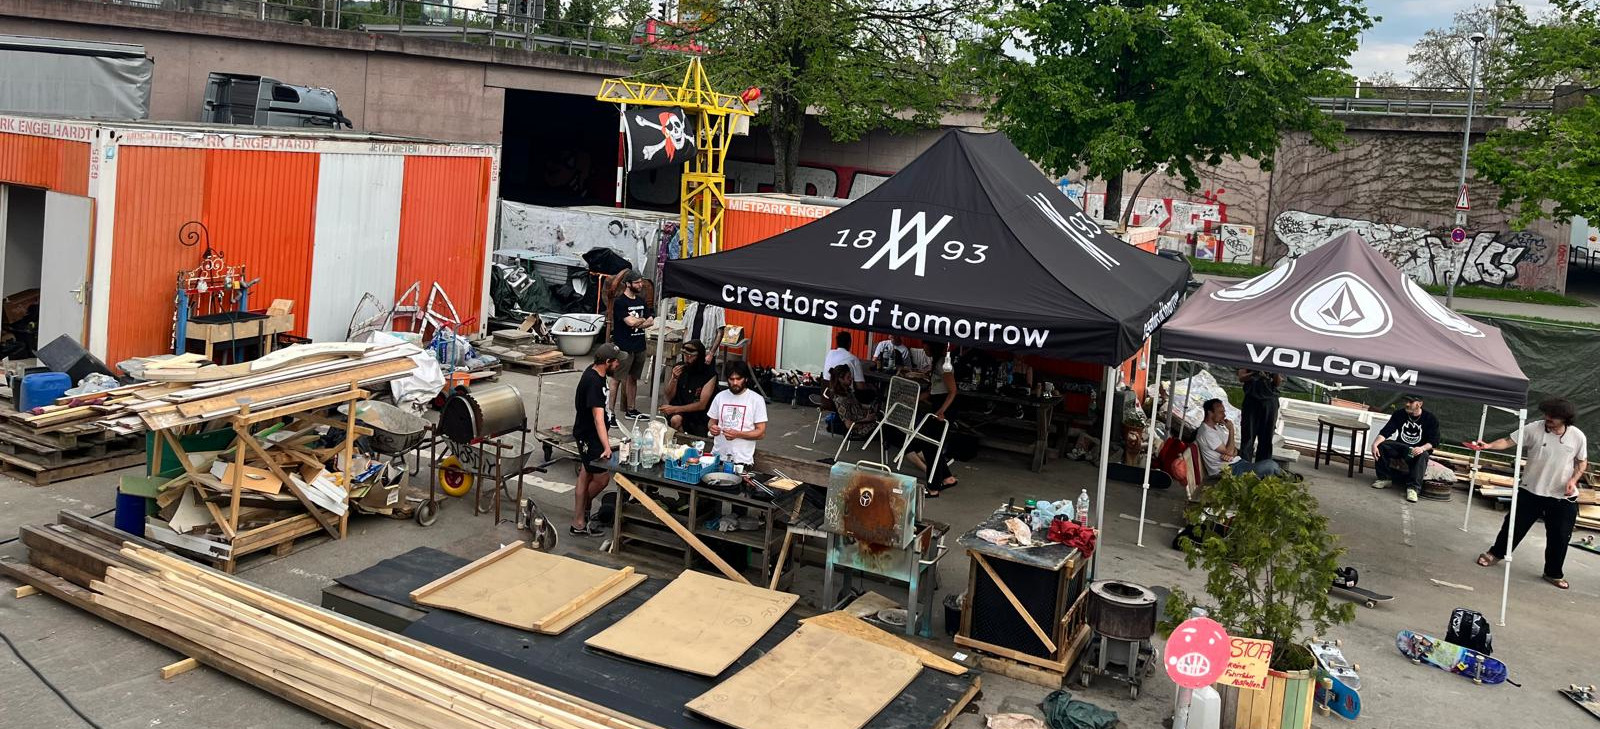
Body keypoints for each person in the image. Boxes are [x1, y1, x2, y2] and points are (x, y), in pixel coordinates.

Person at [1473, 397, 1587, 590]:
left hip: (1562, 496)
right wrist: (1488, 446)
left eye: (1553, 417)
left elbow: (1582, 462)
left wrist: (1573, 480)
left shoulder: (1577, 436)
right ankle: (1495, 554)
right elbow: (1508, 441)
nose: (1547, 418)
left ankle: (1553, 573)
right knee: (1513, 526)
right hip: (1531, 490)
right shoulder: (1534, 428)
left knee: (1560, 536)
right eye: (1546, 414)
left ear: (1565, 419)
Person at [571, 344, 621, 536]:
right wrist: (607, 446)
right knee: (602, 478)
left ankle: (579, 520)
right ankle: (580, 516)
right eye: (616, 361)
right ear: (607, 362)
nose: (618, 364)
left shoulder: (597, 373)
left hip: (589, 434)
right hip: (590, 437)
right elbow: (598, 418)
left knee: (585, 474)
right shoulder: (593, 382)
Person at [1370, 394, 1441, 503]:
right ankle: (1384, 478)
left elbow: (1434, 441)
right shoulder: (1399, 414)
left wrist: (1422, 448)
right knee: (1382, 445)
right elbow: (1386, 431)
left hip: (1417, 450)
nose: (1407, 404)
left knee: (1423, 455)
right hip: (1401, 447)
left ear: (1419, 404)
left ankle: (1413, 489)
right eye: (1406, 401)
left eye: (1410, 402)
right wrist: (1375, 444)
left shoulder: (1430, 419)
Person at [914, 341, 960, 497]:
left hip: (945, 408)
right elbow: (933, 390)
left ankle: (933, 488)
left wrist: (942, 410)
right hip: (937, 405)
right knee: (929, 444)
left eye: (925, 345)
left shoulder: (944, 365)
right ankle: (948, 478)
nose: (923, 348)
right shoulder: (936, 363)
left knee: (931, 445)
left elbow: (953, 391)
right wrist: (915, 399)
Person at [1196, 398, 1279, 480]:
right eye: (1221, 412)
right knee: (1270, 466)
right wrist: (1231, 430)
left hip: (1236, 464)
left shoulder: (1217, 428)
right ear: (1210, 413)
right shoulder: (1206, 432)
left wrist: (1231, 454)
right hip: (1228, 470)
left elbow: (1233, 449)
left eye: (1224, 412)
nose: (1224, 415)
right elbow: (1229, 451)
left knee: (1271, 467)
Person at [609, 270, 654, 418]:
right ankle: (610, 412)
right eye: (637, 282)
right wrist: (641, 321)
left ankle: (631, 409)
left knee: (633, 378)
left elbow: (650, 321)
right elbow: (630, 322)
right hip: (624, 347)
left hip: (639, 346)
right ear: (628, 284)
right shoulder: (620, 302)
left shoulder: (641, 301)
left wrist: (638, 322)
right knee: (616, 379)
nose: (640, 285)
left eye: (641, 282)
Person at [707, 361, 768, 465]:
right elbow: (711, 422)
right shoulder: (720, 396)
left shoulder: (756, 399)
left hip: (741, 460)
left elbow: (760, 432)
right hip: (718, 456)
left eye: (739, 379)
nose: (735, 382)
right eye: (731, 379)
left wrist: (738, 434)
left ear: (746, 379)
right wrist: (712, 428)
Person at [660, 339, 717, 436]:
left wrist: (675, 409)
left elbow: (702, 404)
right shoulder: (679, 368)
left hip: (699, 414)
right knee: (675, 419)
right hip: (679, 409)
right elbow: (669, 396)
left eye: (692, 356)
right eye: (686, 355)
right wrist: (674, 379)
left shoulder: (709, 374)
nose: (688, 358)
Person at [1236, 369, 1282, 462]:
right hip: (1251, 400)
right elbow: (1241, 377)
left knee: (1266, 438)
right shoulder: (1251, 360)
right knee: (1247, 436)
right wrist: (1255, 372)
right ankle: (1245, 466)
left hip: (1270, 401)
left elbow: (1277, 383)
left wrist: (1274, 371)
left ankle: (1263, 466)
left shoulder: (1277, 361)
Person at [681, 300, 724, 366]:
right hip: (689, 352)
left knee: (706, 372)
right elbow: (685, 329)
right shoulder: (691, 307)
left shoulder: (718, 308)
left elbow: (720, 333)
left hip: (706, 354)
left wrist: (711, 354)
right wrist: (684, 350)